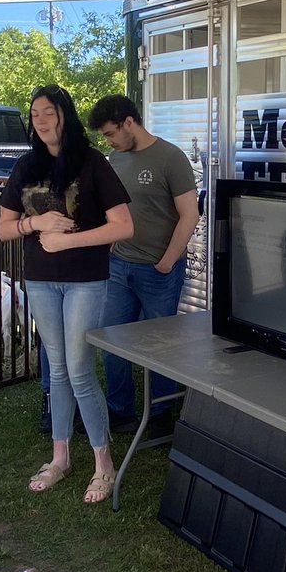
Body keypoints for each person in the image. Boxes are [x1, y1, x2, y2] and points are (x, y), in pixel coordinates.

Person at [0, 85, 133, 505]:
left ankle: (103, 464)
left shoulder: (92, 163)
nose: (41, 119)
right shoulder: (26, 166)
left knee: (77, 369)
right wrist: (35, 227)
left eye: (49, 112)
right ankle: (60, 458)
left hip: (85, 279)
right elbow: (4, 228)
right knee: (56, 370)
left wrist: (68, 242)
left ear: (64, 116)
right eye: (35, 113)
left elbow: (123, 226)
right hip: (40, 279)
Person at [87, 94, 199, 438]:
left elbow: (190, 214)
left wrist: (166, 262)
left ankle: (161, 413)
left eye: (110, 133)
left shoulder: (171, 158)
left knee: (161, 346)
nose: (109, 140)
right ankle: (120, 412)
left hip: (158, 272)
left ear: (129, 123)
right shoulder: (115, 159)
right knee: (113, 341)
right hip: (119, 267)